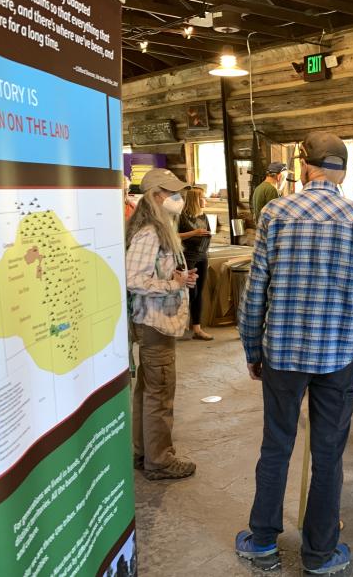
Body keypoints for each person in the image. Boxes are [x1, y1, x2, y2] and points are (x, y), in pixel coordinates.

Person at [235, 131, 353, 574]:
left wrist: (251, 345)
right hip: (338, 356)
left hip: (281, 354)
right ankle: (320, 555)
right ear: (341, 171)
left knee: (276, 445)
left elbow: (256, 288)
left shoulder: (275, 213)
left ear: (305, 167)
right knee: (328, 454)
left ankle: (262, 542)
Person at [126, 168, 198, 481]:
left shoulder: (158, 228)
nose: (177, 198)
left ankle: (145, 452)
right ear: (156, 196)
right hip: (155, 323)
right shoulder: (149, 233)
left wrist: (178, 279)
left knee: (149, 389)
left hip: (158, 320)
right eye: (171, 192)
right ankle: (160, 460)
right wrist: (171, 284)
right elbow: (133, 279)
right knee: (160, 392)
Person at [178, 186, 213, 341]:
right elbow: (174, 236)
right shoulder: (182, 217)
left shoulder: (203, 216)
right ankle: (179, 325)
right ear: (195, 200)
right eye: (202, 198)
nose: (205, 200)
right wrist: (194, 233)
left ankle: (197, 329)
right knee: (191, 293)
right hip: (189, 257)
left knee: (200, 294)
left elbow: (208, 232)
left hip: (202, 256)